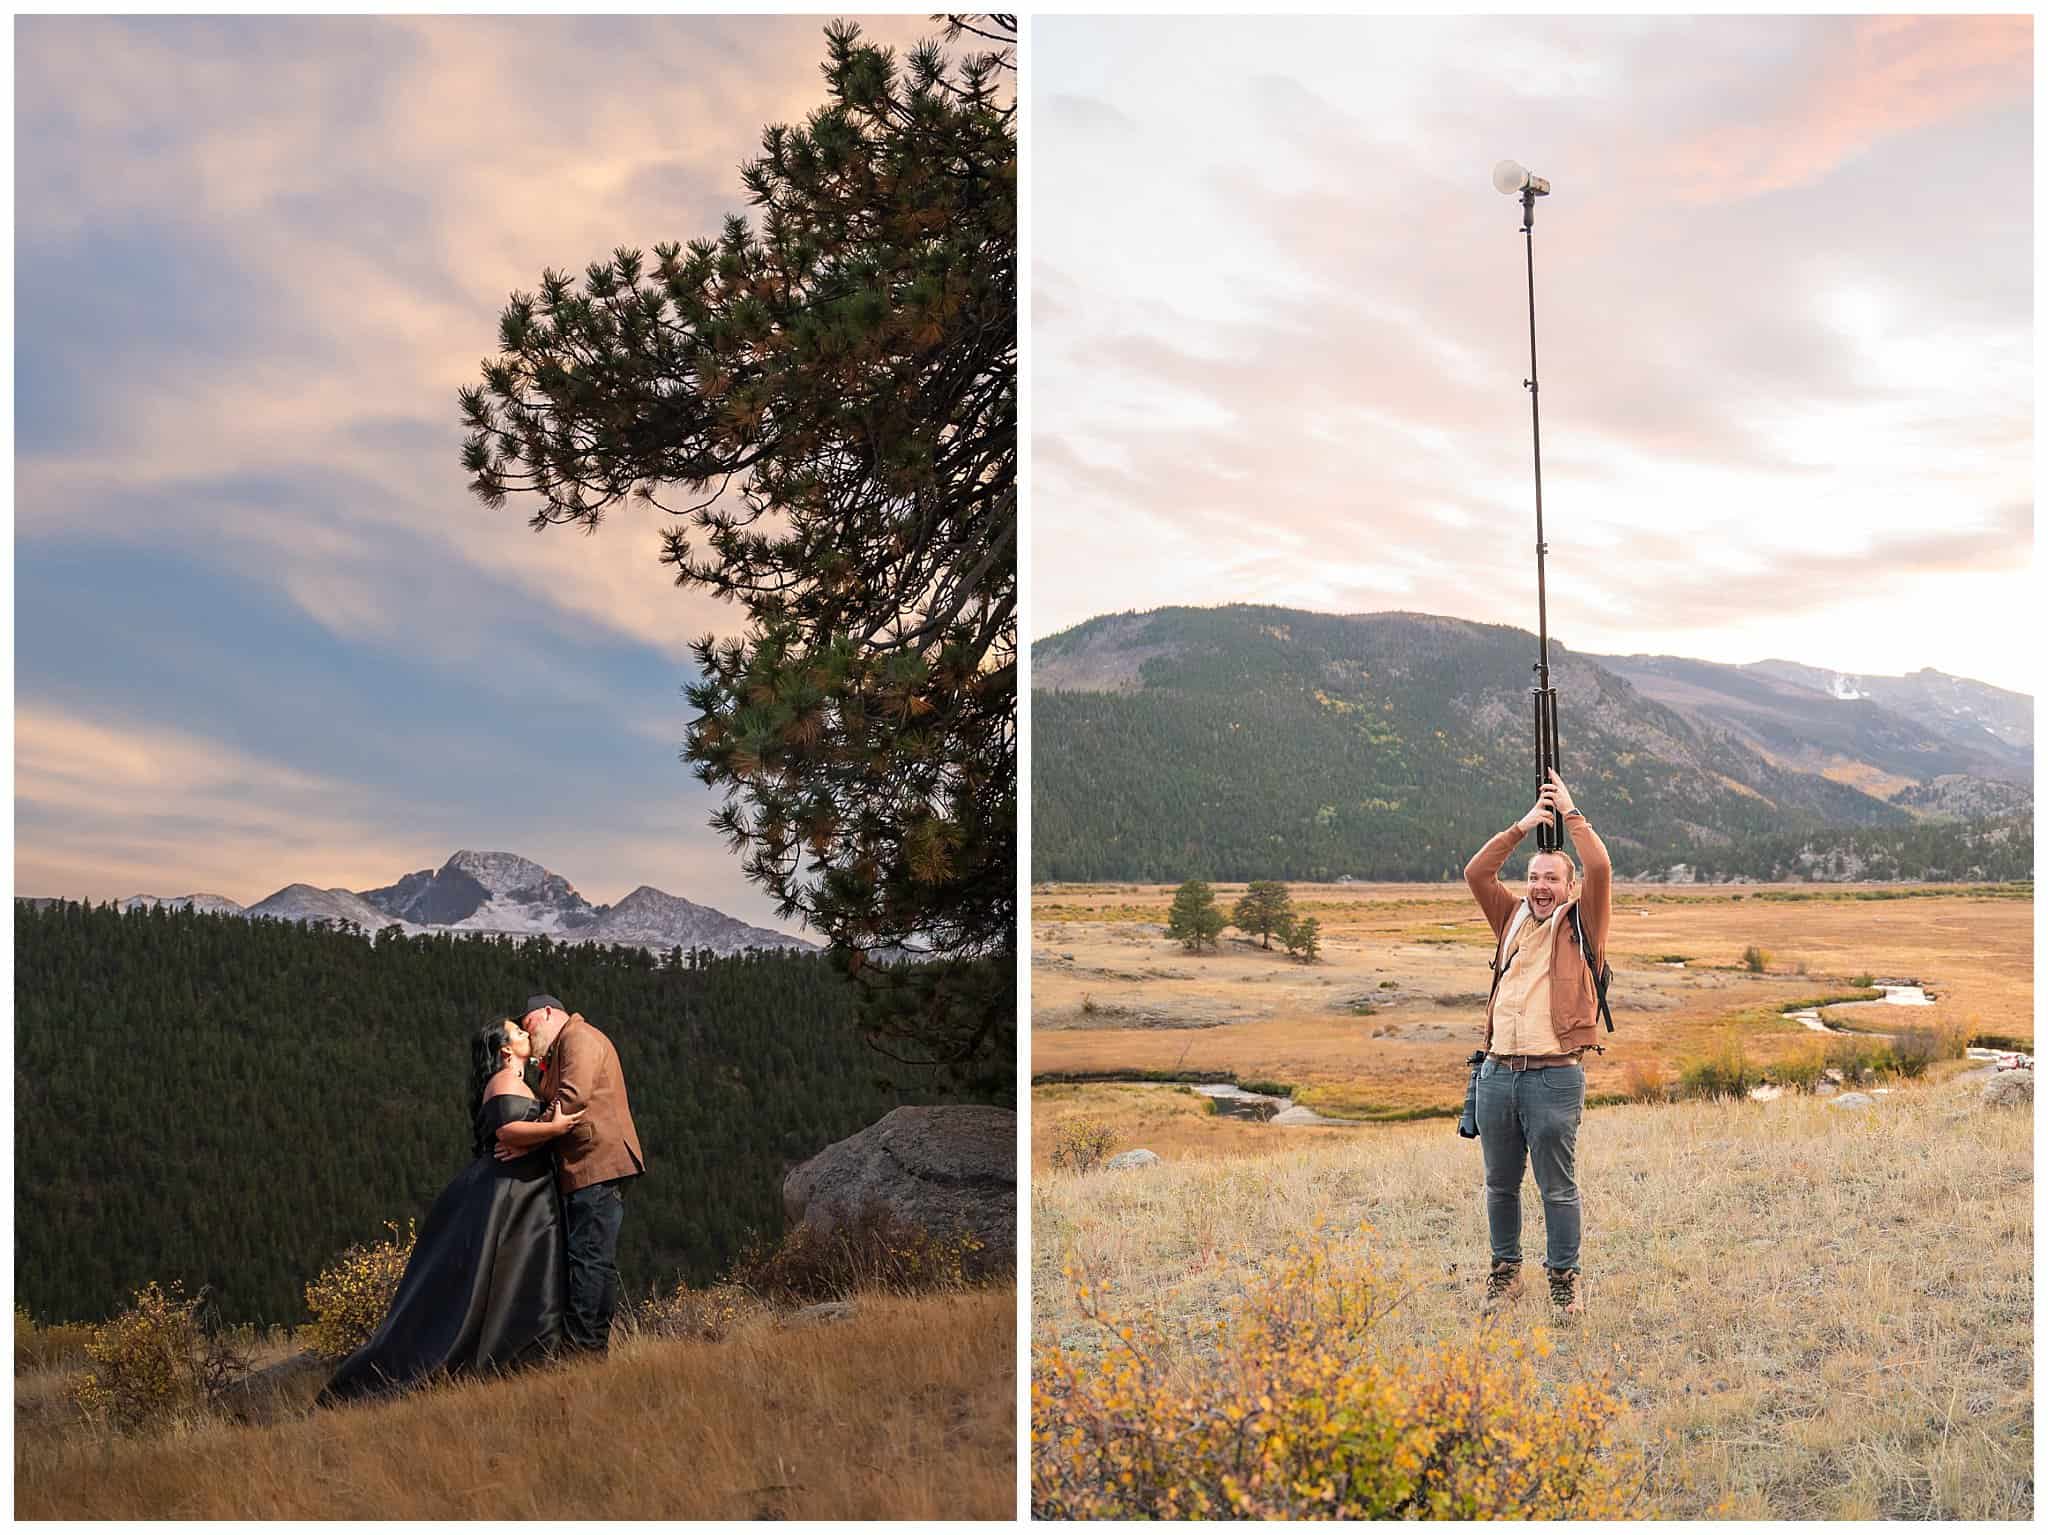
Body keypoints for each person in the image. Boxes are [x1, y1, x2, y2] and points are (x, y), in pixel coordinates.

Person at [319, 1018, 584, 1404]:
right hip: (509, 1193)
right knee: (503, 1277)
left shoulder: (514, 1082)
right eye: (518, 1033)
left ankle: (517, 1362)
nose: (527, 1034)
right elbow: (507, 1131)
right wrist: (555, 1130)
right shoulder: (505, 1082)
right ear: (505, 1050)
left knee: (513, 1276)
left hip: (522, 1191)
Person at [1462, 769, 1612, 1319]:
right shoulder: (1511, 917)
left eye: (1552, 878)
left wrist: (1570, 813)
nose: (1541, 887)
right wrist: (1524, 826)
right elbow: (1476, 871)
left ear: (1569, 887)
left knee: (1557, 1189)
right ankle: (1505, 1277)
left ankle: (1563, 1284)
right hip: (1497, 1074)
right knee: (1499, 1186)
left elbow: (1599, 865)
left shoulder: (1583, 924)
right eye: (1534, 877)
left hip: (1554, 1075)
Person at [499, 995, 644, 1355]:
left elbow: (572, 1099)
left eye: (529, 1024)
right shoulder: (565, 1045)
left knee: (589, 1259)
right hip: (587, 1165)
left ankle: (584, 1349)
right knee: (590, 1258)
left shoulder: (579, 1038)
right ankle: (588, 1345)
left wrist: (527, 1141)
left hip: (595, 1162)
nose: (529, 1035)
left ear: (549, 1013)